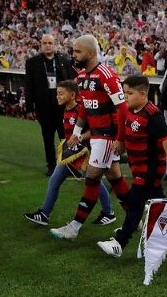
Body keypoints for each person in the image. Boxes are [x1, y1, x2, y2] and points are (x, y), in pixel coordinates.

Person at [50, 34, 131, 241]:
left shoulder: (106, 75)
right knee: (114, 176)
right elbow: (85, 109)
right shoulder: (82, 78)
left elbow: (123, 109)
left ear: (91, 53)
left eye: (78, 51)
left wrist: (120, 139)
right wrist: (76, 133)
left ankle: (74, 227)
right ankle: (135, 218)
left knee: (92, 178)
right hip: (95, 135)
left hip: (107, 136)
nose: (74, 55)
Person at [97, 76, 167, 257]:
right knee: (158, 202)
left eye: (129, 93)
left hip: (149, 169)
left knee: (135, 204)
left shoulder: (153, 115)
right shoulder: (132, 110)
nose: (125, 96)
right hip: (138, 167)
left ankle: (120, 242)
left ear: (143, 94)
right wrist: (121, 142)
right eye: (124, 92)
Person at [24, 80, 115, 227]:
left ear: (72, 95)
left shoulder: (81, 109)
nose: (57, 96)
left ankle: (108, 212)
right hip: (73, 152)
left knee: (92, 181)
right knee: (71, 180)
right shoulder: (66, 109)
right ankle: (44, 214)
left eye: (61, 93)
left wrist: (79, 137)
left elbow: (95, 129)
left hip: (84, 153)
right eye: (57, 94)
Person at [25, 34, 77, 176]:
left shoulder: (63, 60)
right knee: (48, 138)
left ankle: (68, 165)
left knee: (65, 137)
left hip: (63, 107)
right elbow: (28, 86)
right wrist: (29, 107)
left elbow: (71, 82)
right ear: (41, 45)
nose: (48, 45)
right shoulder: (32, 62)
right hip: (44, 107)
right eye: (45, 43)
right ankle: (52, 166)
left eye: (50, 43)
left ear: (55, 44)